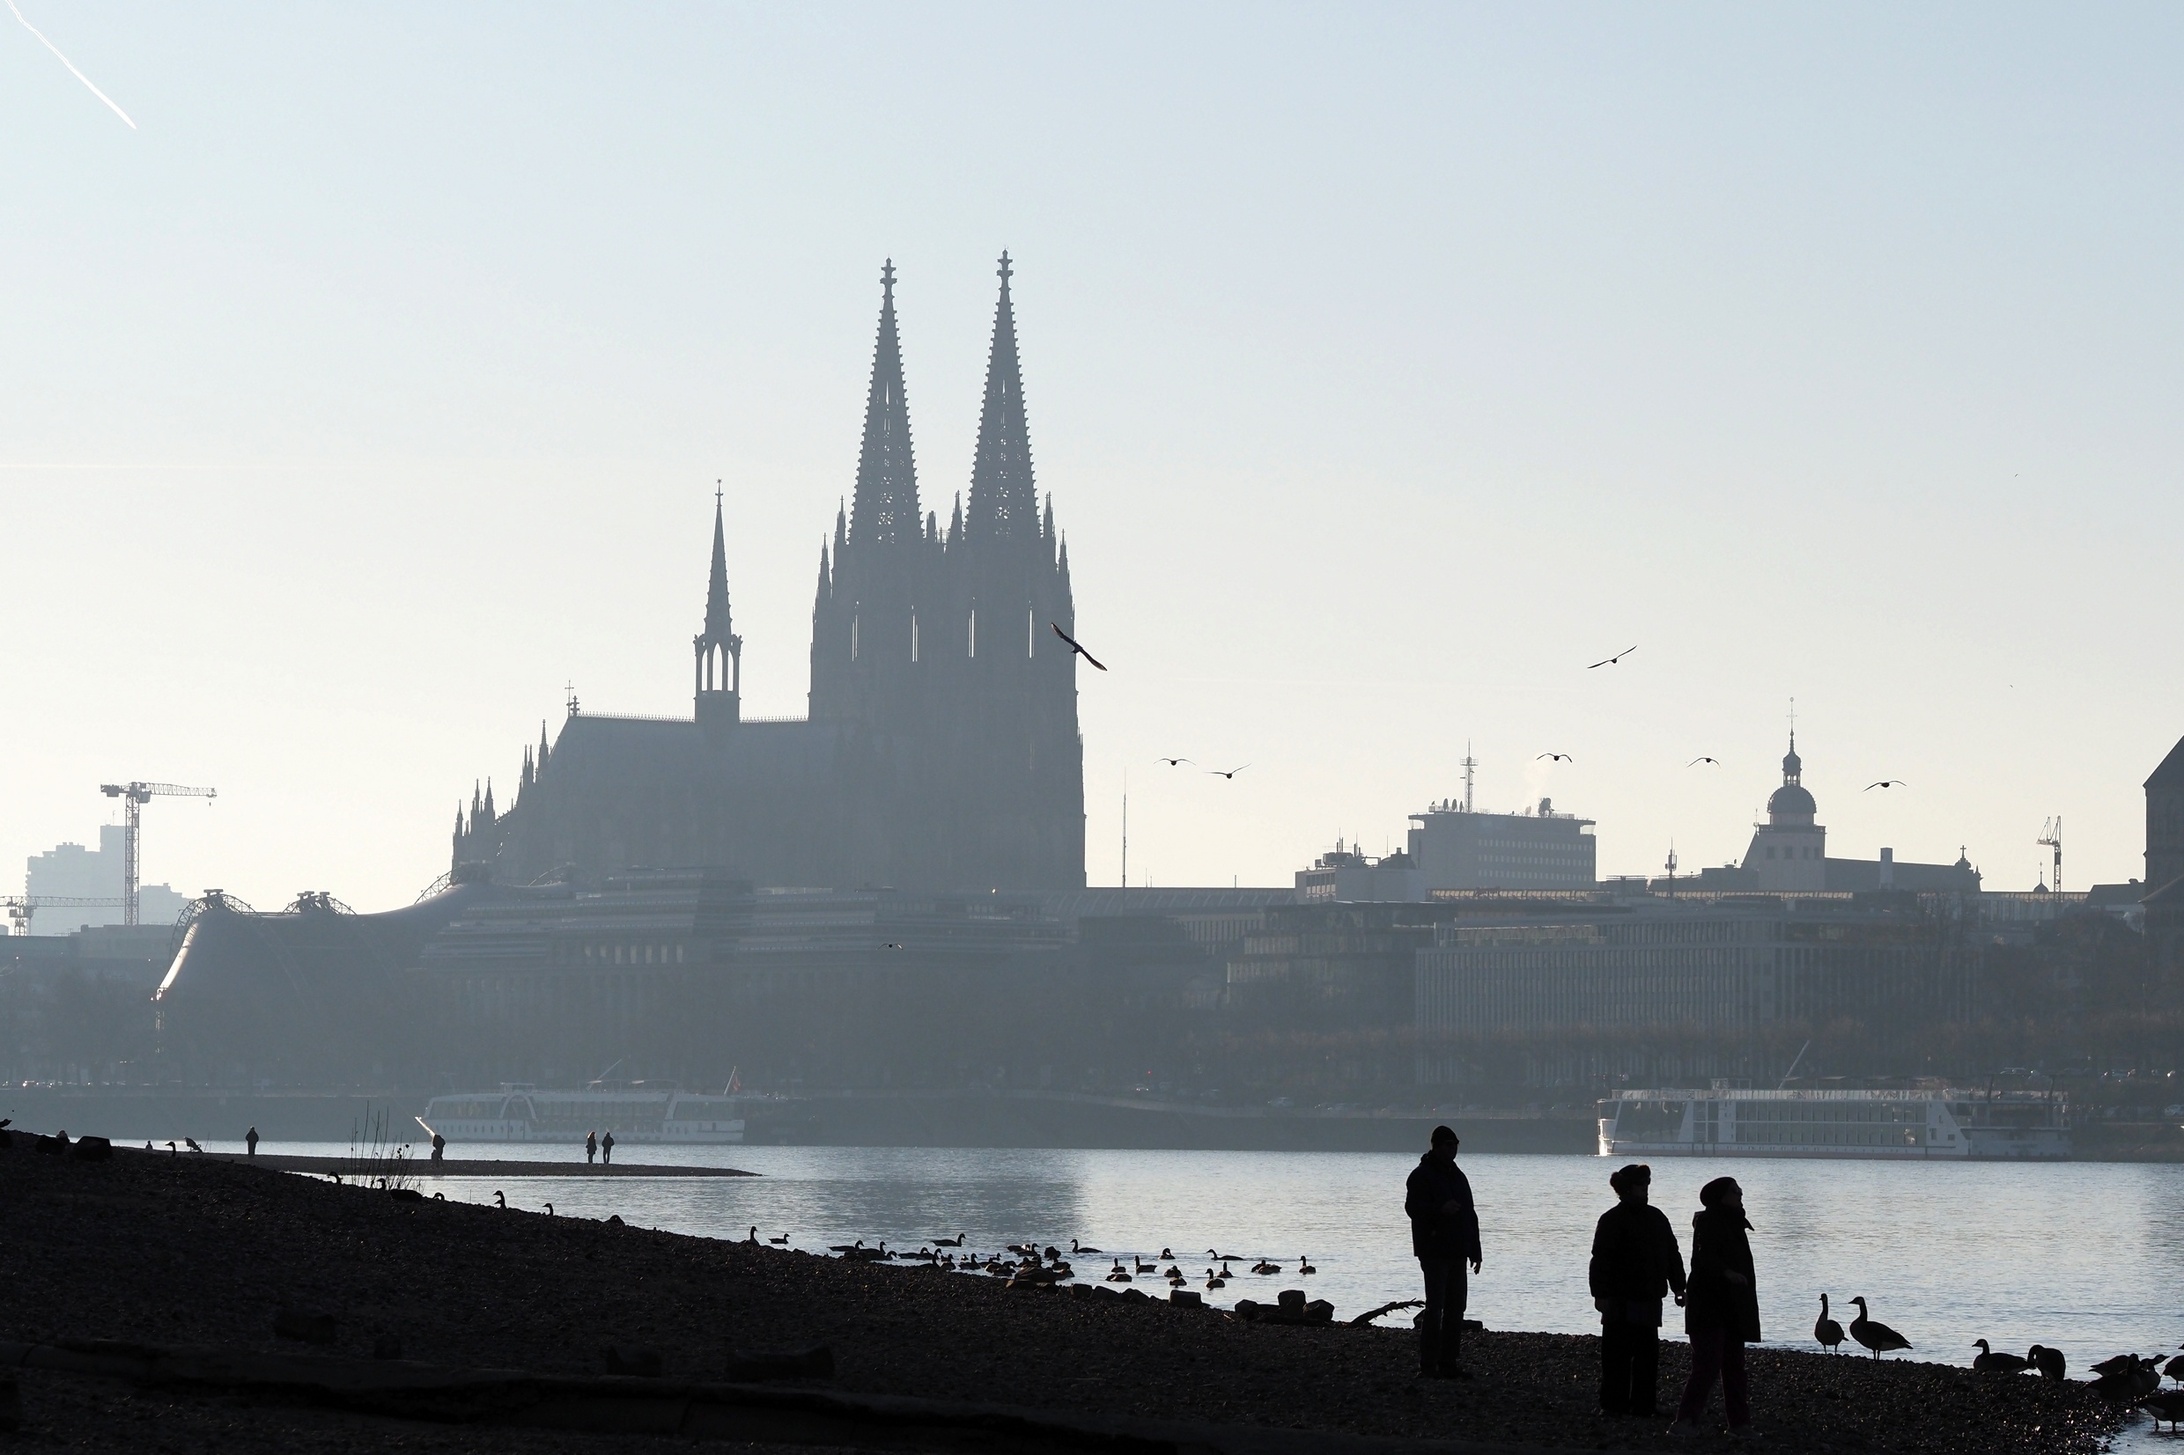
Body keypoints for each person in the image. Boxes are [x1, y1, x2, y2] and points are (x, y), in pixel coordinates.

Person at [1589, 1163, 1686, 1417]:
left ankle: (1640, 1404)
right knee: (1618, 1355)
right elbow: (1600, 1259)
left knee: (1645, 1355)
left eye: (1647, 1183)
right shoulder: (1615, 1219)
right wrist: (1600, 1294)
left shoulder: (1654, 1218)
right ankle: (1616, 1404)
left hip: (1647, 1296)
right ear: (1628, 1188)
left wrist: (1679, 1286)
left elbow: (1671, 1254)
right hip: (1621, 1297)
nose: (1646, 1188)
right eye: (1642, 1184)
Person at [1670, 1175, 1760, 1439]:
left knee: (1734, 1366)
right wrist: (1726, 1273)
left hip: (1733, 1305)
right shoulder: (1709, 1222)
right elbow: (1703, 1258)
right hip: (1709, 1305)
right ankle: (1684, 1421)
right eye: (1735, 1191)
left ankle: (1739, 1425)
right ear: (1721, 1197)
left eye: (1740, 1190)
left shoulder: (1734, 1221)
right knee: (1707, 1364)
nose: (1740, 1195)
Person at [1403, 1124, 1481, 1378]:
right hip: (1434, 1251)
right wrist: (1439, 1210)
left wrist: (1475, 1250)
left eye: (1455, 1145)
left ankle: (1448, 1363)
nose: (1453, 1150)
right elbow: (1412, 1208)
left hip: (1458, 1251)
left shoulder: (1458, 1176)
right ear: (1436, 1146)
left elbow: (1470, 1214)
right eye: (1449, 1145)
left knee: (1456, 1309)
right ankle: (1428, 1365)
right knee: (1435, 1308)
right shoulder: (1421, 1176)